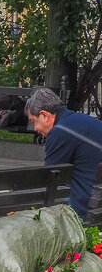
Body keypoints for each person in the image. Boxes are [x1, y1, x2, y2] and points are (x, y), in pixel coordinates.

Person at [26, 88, 102, 223]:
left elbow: (49, 180)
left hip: (89, 209)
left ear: (44, 115)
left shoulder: (59, 132)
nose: (36, 129)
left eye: (34, 121)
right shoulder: (85, 120)